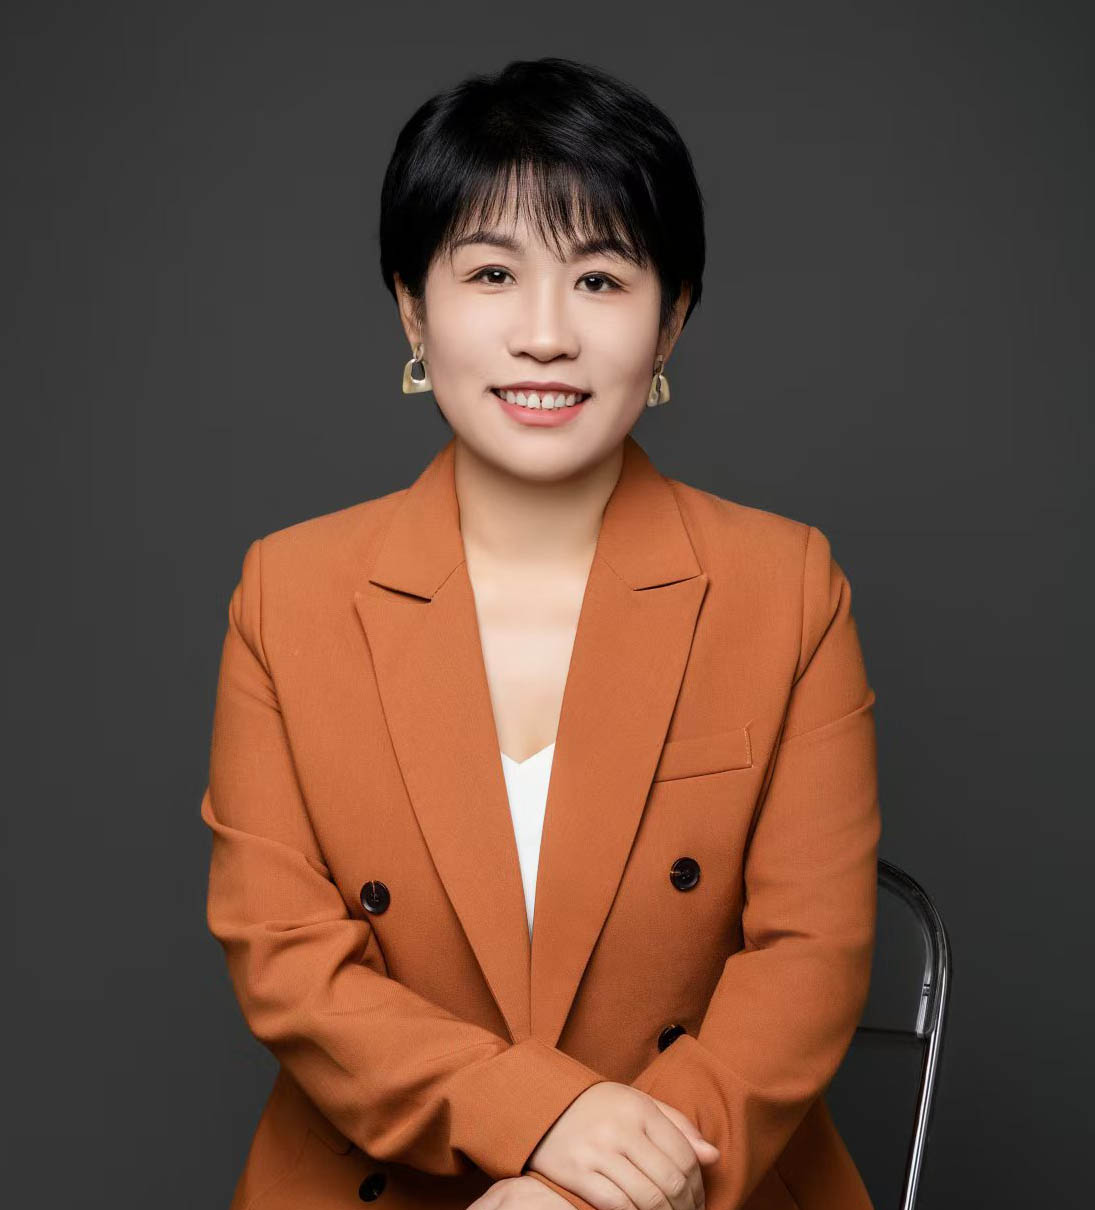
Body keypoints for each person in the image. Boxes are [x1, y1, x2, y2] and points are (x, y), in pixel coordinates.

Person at [200, 57, 881, 1210]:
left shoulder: (785, 587)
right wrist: (542, 1118)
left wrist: (598, 1190)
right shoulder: (290, 592)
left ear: (671, 320)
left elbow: (809, 958)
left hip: (689, 1177)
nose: (546, 334)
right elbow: (286, 959)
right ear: (413, 309)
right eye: (492, 273)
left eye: (600, 279)